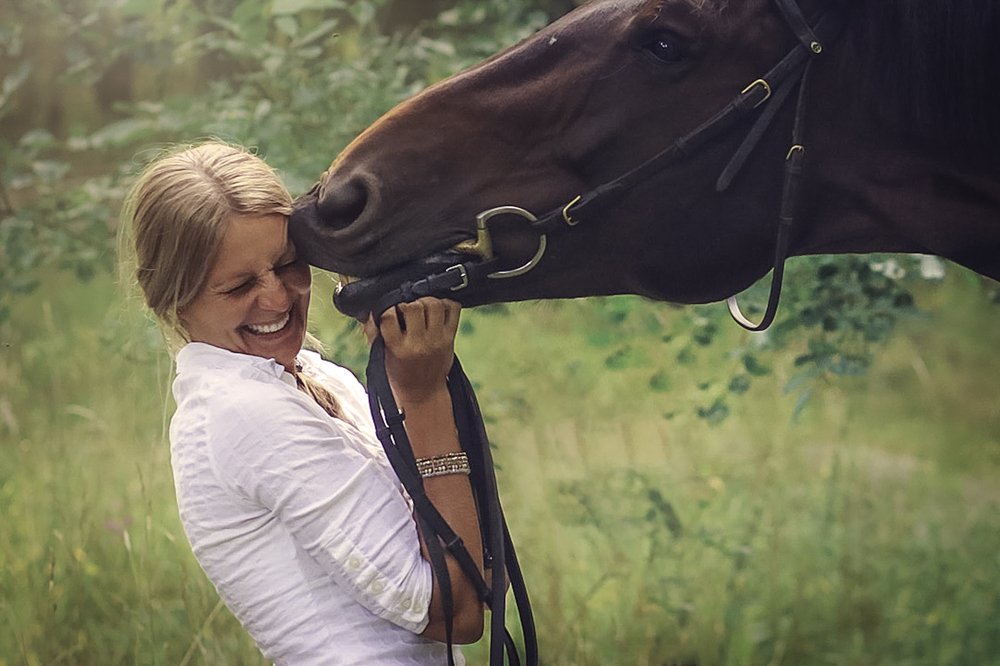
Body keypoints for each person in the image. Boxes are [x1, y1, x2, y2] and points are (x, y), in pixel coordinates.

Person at [120, 140, 484, 665]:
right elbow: (456, 613)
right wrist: (422, 395)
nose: (278, 298)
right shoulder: (242, 411)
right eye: (240, 285)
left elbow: (462, 555)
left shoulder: (314, 379)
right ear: (170, 296)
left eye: (288, 264)